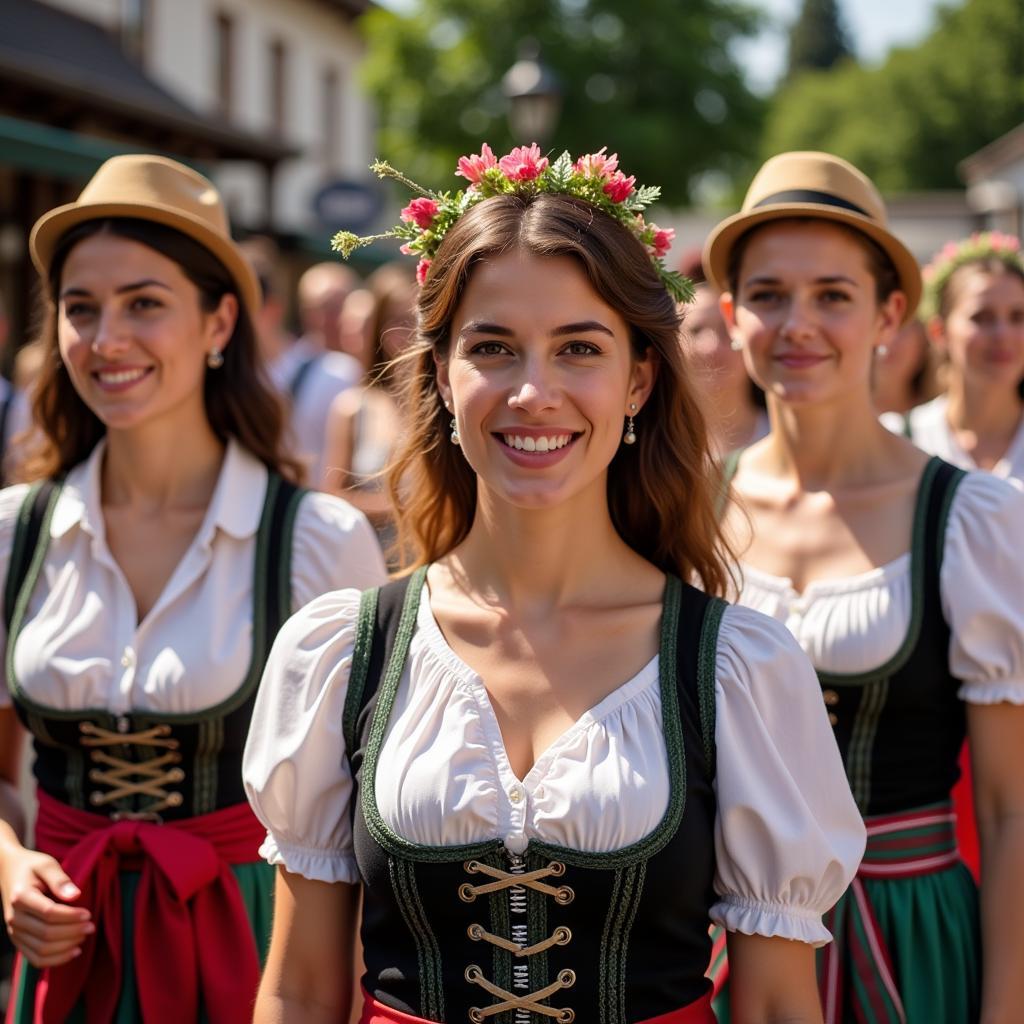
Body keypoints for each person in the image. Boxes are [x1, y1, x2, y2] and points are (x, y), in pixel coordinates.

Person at [244, 144, 865, 1024]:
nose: (534, 392)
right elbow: (301, 990)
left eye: (579, 348)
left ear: (639, 380)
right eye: (493, 347)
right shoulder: (346, 653)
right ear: (443, 379)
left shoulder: (737, 669)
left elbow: (772, 1007)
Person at [0, 154, 387, 1023]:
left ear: (218, 323)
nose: (106, 340)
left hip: (249, 951)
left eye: (144, 303)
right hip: (63, 956)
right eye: (80, 308)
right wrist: (8, 866)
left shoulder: (315, 544)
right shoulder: (12, 533)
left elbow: (361, 817)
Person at [705, 151, 1024, 1023]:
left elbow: (1008, 810)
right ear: (731, 315)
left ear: (889, 315)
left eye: (832, 296)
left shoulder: (971, 520)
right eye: (768, 295)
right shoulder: (688, 509)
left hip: (910, 924)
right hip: (722, 941)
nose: (797, 324)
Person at [886, 232, 1024, 483]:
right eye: (982, 317)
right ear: (939, 332)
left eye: (1018, 317)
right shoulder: (899, 440)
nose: (1003, 335)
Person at [321, 261, 417, 549]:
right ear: (379, 327)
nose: (412, 332)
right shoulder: (353, 406)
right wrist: (399, 509)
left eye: (420, 318)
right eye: (399, 320)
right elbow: (331, 498)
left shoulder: (450, 402)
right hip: (367, 564)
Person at [266, 262, 363, 486]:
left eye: (341, 306)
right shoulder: (283, 367)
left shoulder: (363, 369)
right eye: (325, 307)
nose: (335, 317)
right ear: (306, 312)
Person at [676, 250, 768, 456]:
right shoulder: (654, 447)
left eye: (726, 330)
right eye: (696, 330)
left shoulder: (785, 440)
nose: (711, 347)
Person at [871, 317, 941, 416]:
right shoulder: (845, 414)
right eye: (883, 326)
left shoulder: (938, 417)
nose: (891, 340)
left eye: (903, 328)